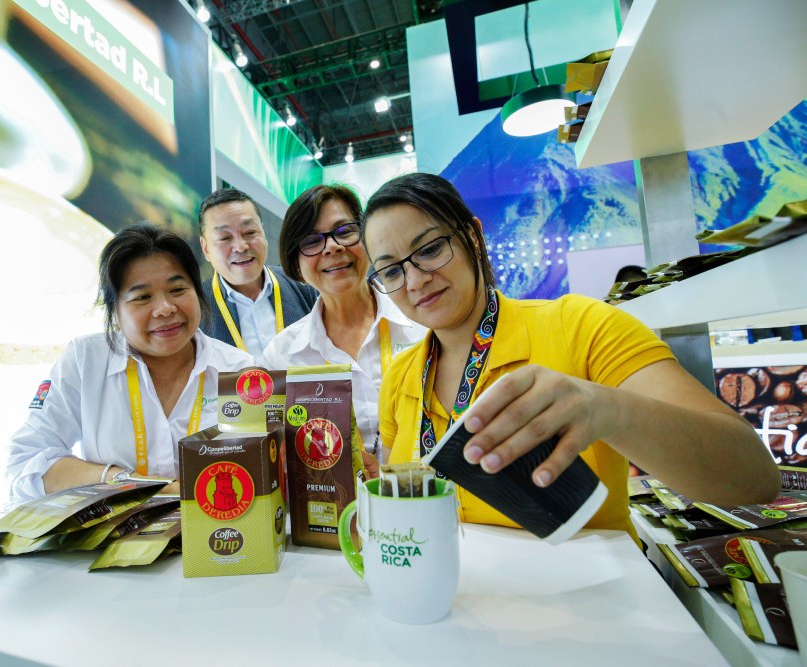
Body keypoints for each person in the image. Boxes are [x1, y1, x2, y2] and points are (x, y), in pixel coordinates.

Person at [360, 173, 779, 538]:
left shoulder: (581, 326)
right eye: (392, 271)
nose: (415, 280)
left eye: (430, 249)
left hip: (592, 611)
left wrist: (609, 410)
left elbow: (753, 480)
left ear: (472, 235)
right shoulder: (401, 376)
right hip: (449, 609)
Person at [7, 223, 254, 502]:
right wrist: (124, 482)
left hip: (217, 537)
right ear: (115, 312)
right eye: (142, 297)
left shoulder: (240, 370)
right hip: (110, 541)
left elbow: (263, 474)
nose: (165, 308)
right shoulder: (85, 360)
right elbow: (25, 465)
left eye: (177, 289)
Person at [262, 184, 425, 469]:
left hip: (427, 496)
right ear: (296, 265)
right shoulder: (282, 355)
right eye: (312, 241)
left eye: (344, 231)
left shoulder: (419, 321)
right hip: (332, 507)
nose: (333, 247)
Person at [198, 188, 318, 365]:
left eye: (250, 232)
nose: (240, 246)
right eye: (224, 238)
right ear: (206, 248)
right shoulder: (196, 306)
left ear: (263, 233)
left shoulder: (304, 284)